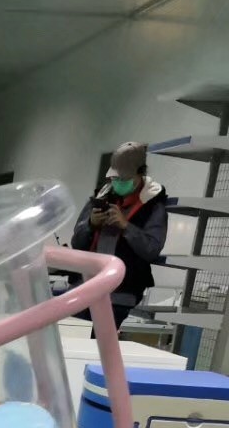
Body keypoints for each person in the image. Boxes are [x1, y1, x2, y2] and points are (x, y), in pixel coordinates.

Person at [71, 141, 168, 331]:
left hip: (119, 297)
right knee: (72, 339)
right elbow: (77, 242)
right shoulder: (100, 198)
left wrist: (126, 227)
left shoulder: (152, 206)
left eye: (124, 178)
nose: (118, 183)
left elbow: (152, 249)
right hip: (85, 289)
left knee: (100, 344)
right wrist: (91, 224)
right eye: (115, 178)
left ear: (140, 174)